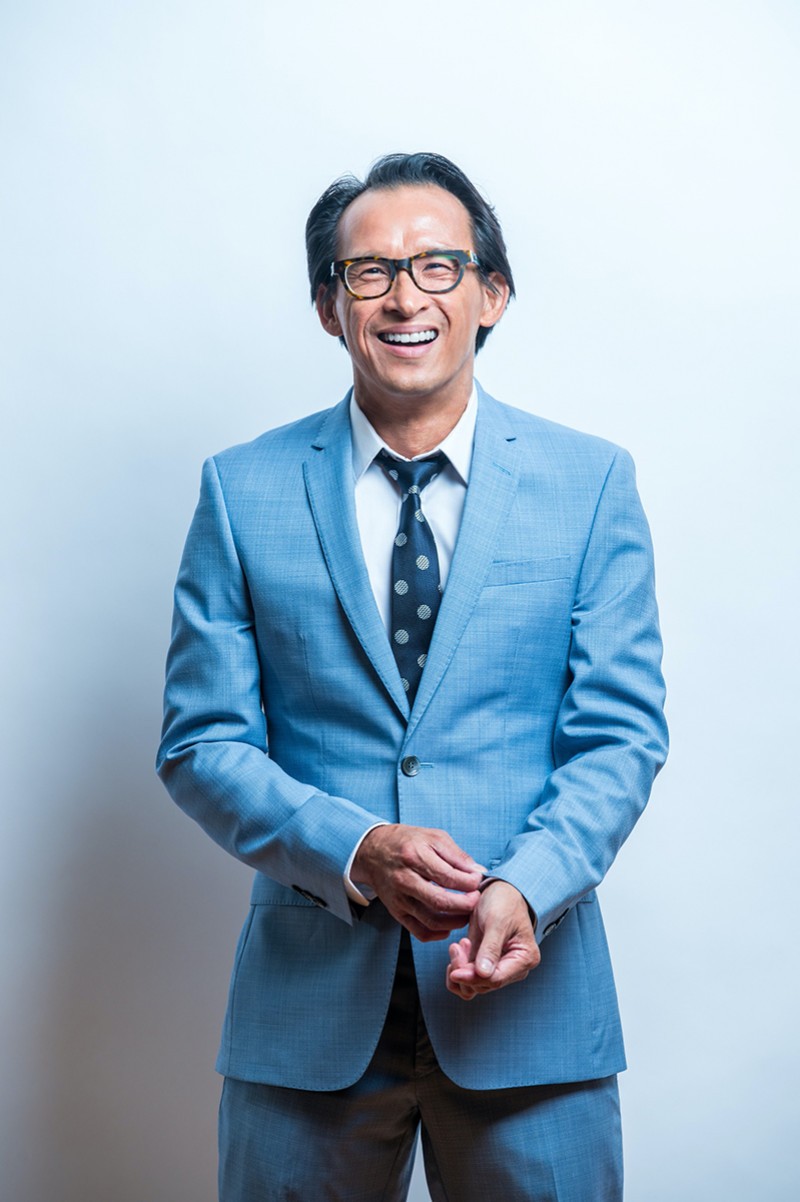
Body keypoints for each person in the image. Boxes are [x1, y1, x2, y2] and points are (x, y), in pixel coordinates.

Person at [157, 151, 668, 1201]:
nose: (404, 296)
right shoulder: (241, 489)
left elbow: (617, 734)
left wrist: (526, 883)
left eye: (438, 265)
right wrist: (353, 846)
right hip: (306, 1018)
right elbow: (200, 742)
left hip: (529, 1009)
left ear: (491, 292)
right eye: (368, 271)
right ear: (326, 305)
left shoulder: (589, 483)